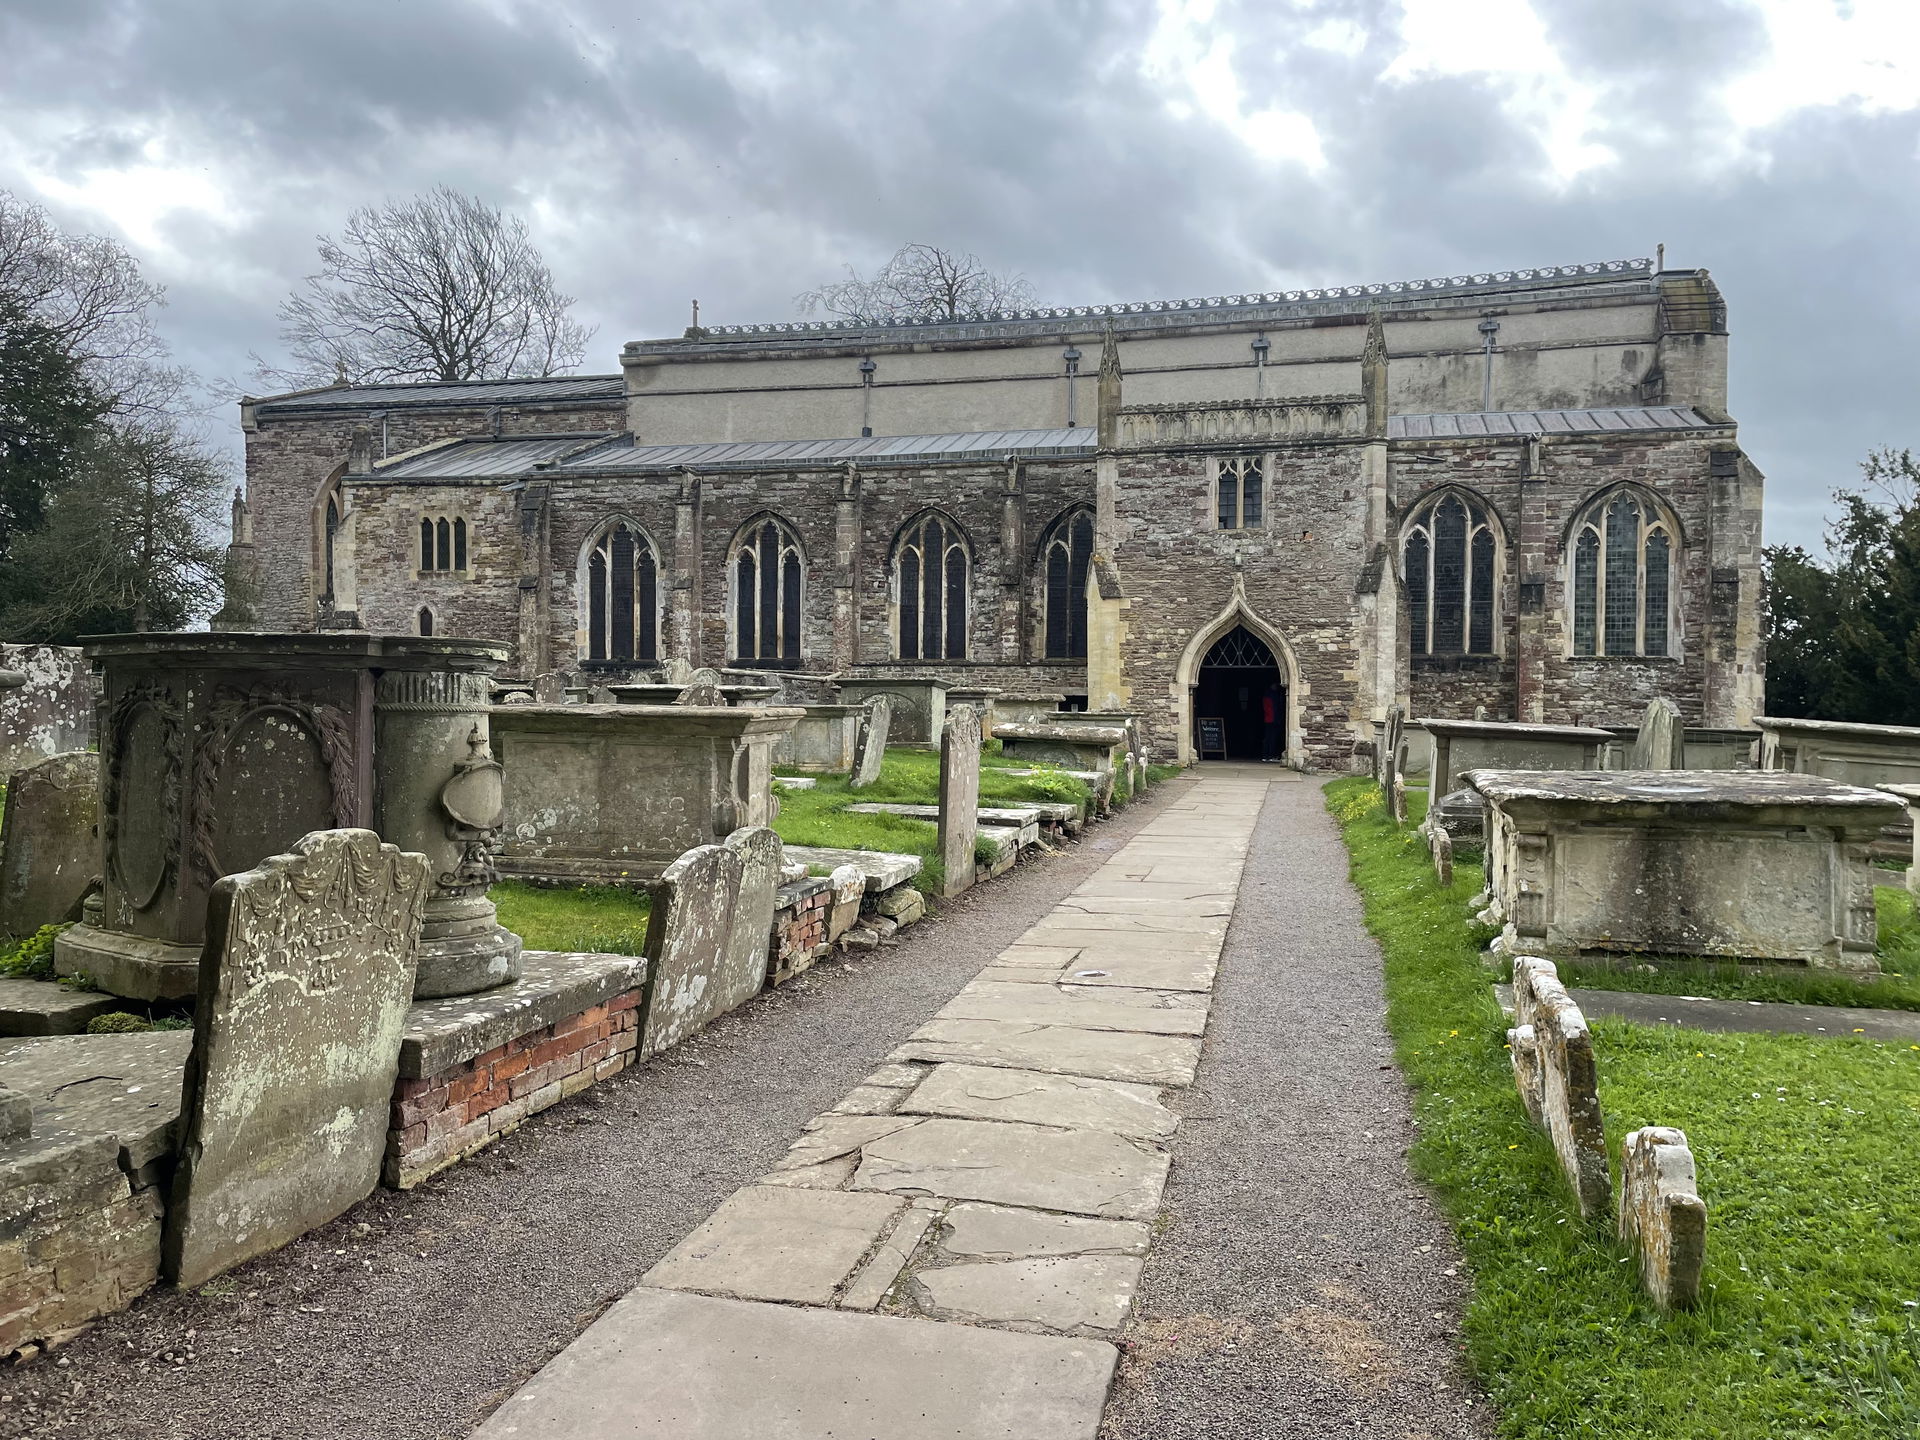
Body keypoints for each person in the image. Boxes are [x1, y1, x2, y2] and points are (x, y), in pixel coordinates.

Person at [1260, 684, 1281, 762]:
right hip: (1273, 720)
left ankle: (1266, 756)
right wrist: (1277, 720)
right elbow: (1274, 709)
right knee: (1272, 738)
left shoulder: (1267, 695)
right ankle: (1271, 755)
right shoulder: (1273, 695)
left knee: (1268, 738)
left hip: (1268, 719)